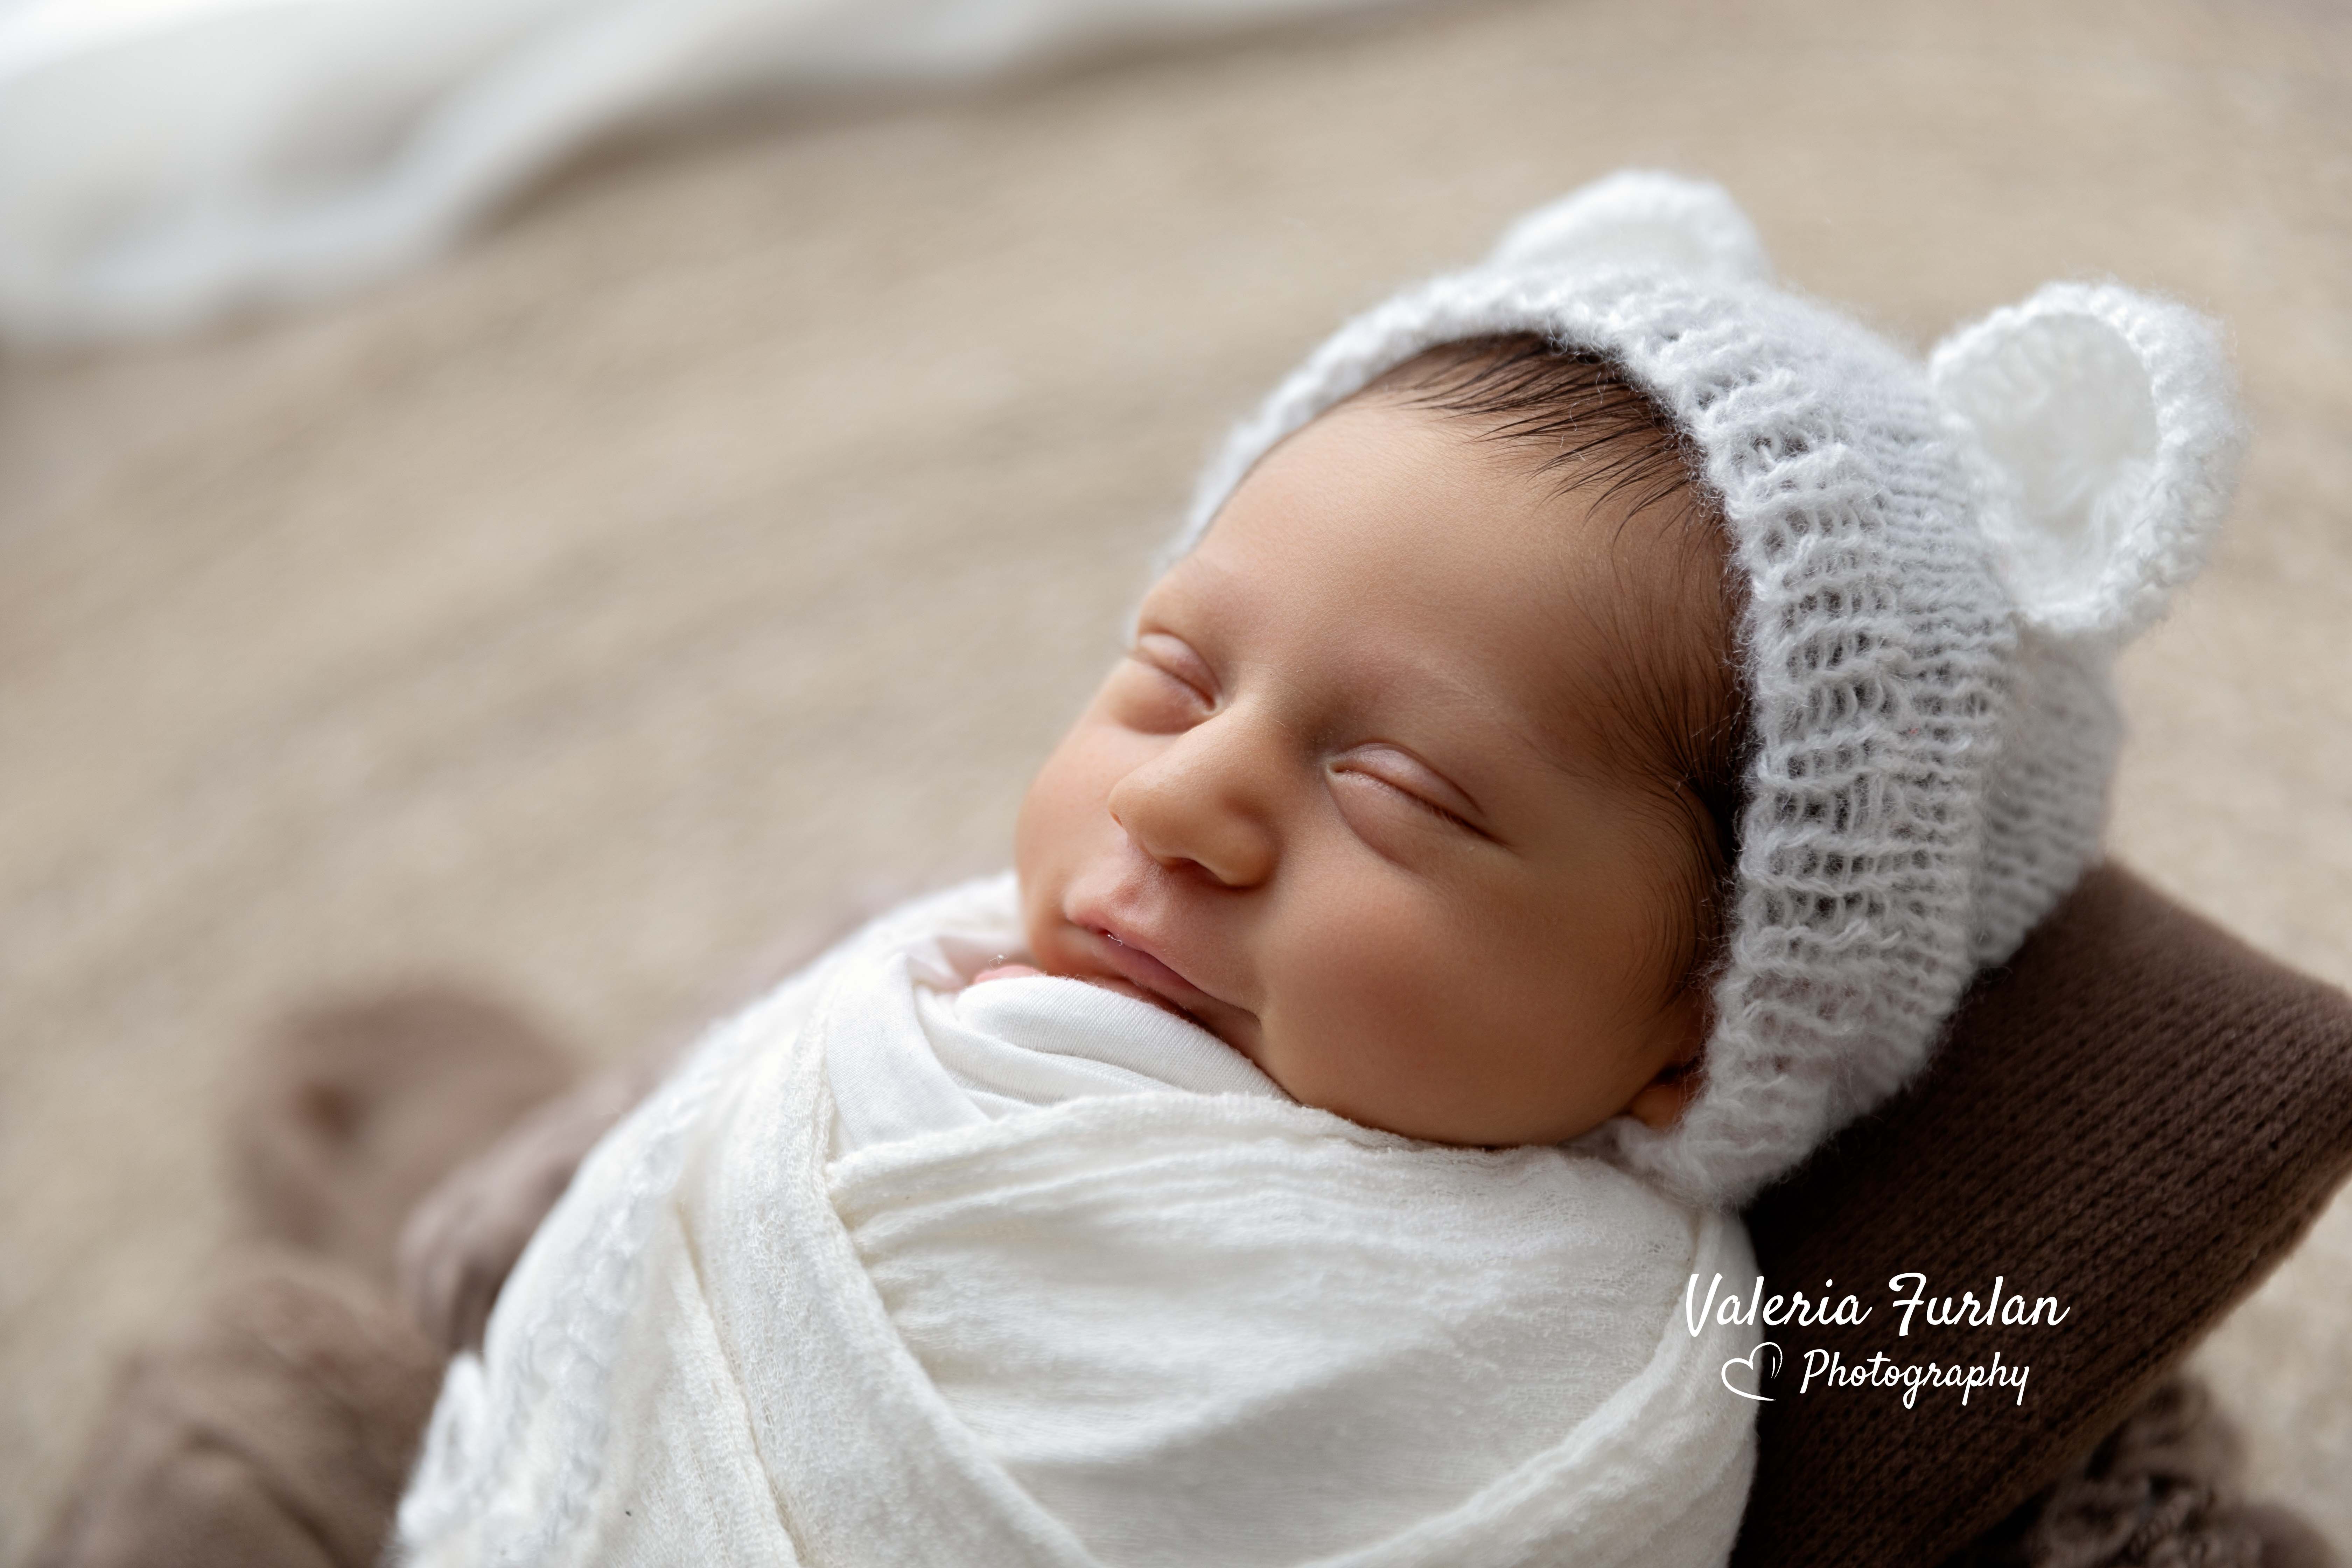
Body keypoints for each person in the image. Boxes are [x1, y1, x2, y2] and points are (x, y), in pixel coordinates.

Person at [379, 169, 2242, 1567]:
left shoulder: (1596, 1376)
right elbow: (676, 1166)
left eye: (1403, 794)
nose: (1179, 799)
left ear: (1700, 1029)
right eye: (1170, 677)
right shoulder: (923, 963)